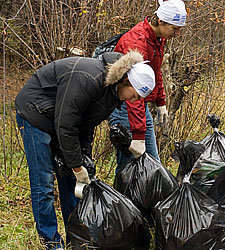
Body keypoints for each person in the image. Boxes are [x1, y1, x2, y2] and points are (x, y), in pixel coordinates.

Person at [15, 50, 155, 249]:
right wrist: (77, 165)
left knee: (71, 181)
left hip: (59, 119)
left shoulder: (112, 94)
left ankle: (76, 237)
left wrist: (84, 159)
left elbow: (86, 126)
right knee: (44, 182)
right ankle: (52, 242)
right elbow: (66, 125)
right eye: (134, 95)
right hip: (35, 112)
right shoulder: (88, 79)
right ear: (125, 81)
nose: (134, 101)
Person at [109, 0, 187, 170]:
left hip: (139, 104)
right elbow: (131, 91)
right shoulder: (137, 43)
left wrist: (160, 102)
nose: (178, 33)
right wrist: (137, 136)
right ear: (161, 21)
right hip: (125, 105)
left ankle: (151, 197)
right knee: (128, 167)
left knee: (153, 166)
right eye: (175, 28)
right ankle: (123, 197)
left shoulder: (158, 38)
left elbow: (155, 71)